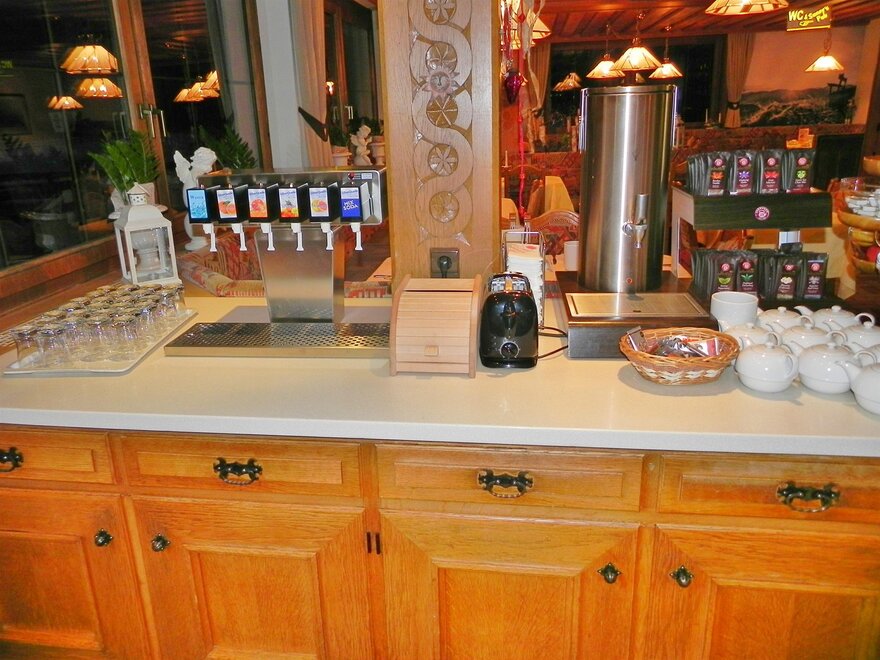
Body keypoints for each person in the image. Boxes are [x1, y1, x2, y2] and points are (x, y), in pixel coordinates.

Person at [174, 147, 217, 250]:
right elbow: (200, 185)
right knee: (199, 218)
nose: (210, 168)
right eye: (209, 164)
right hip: (195, 211)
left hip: (198, 210)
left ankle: (205, 237)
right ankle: (199, 239)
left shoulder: (197, 172)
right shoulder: (197, 173)